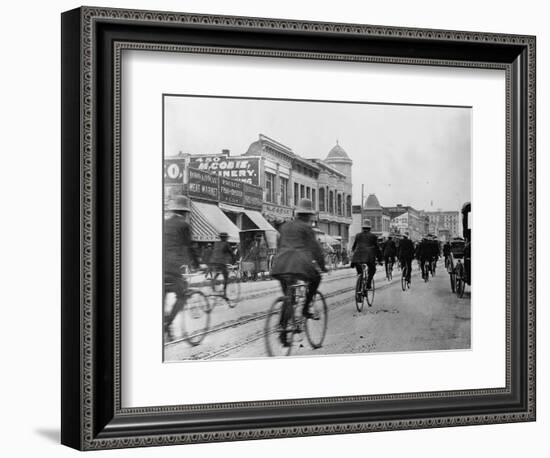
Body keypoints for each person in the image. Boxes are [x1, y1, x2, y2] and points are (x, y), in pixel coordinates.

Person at [271, 198, 326, 346]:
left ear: (297, 213)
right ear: (308, 215)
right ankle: (306, 308)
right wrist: (322, 265)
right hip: (298, 265)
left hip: (280, 265)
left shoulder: (284, 227)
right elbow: (315, 249)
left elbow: (279, 245)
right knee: (316, 278)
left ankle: (283, 332)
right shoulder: (306, 228)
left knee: (288, 297)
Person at [163, 195, 199, 336]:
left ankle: (164, 322)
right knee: (182, 296)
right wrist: (196, 264)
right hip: (172, 268)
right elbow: (189, 247)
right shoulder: (184, 225)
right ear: (185, 212)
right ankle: (168, 323)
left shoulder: (164, 223)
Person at [351, 219, 381, 291]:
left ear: (362, 227)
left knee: (360, 272)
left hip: (357, 257)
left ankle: (359, 288)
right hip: (369, 257)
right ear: (370, 228)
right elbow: (377, 248)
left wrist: (353, 255)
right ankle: (368, 284)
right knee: (372, 269)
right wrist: (380, 259)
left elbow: (354, 247)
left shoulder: (358, 235)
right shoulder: (373, 236)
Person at [208, 232, 236, 297]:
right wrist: (234, 259)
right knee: (226, 276)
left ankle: (213, 285)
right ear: (226, 238)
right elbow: (231, 253)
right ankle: (224, 292)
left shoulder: (216, 243)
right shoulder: (226, 244)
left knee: (217, 272)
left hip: (213, 261)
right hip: (221, 262)